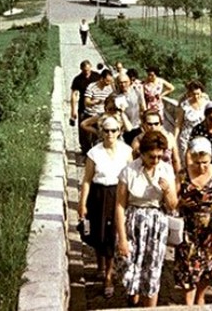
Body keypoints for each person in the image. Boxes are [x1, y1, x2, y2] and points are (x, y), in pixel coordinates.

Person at [115, 130, 178, 307]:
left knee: (152, 270)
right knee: (130, 267)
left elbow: (173, 205)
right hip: (133, 222)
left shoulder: (166, 170)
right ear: (142, 153)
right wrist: (122, 239)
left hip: (156, 224)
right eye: (152, 156)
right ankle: (134, 299)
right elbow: (120, 205)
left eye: (159, 156)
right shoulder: (129, 171)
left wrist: (166, 191)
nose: (156, 160)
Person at [78, 116, 133, 298]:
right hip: (99, 195)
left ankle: (108, 275)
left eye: (113, 130)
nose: (110, 134)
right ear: (101, 131)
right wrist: (82, 203)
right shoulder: (94, 153)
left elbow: (130, 177)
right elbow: (86, 180)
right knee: (98, 233)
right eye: (106, 130)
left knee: (112, 235)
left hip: (117, 194)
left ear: (119, 132)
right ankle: (100, 265)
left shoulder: (126, 151)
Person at [173, 137, 212, 306]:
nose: (201, 167)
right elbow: (171, 201)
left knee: (209, 269)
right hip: (188, 230)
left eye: (205, 162)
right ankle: (189, 305)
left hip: (210, 230)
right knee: (187, 270)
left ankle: (200, 296)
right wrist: (180, 203)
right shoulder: (183, 174)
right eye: (197, 163)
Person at [131, 110, 182, 174]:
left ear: (160, 124)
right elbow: (133, 162)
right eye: (149, 124)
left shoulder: (169, 138)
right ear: (144, 125)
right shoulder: (138, 140)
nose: (153, 127)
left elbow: (176, 160)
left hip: (166, 175)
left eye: (156, 123)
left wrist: (179, 178)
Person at [80, 70, 115, 154]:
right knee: (87, 136)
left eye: (110, 81)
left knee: (98, 139)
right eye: (107, 81)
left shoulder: (110, 88)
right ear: (101, 79)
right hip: (91, 113)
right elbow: (86, 102)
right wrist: (95, 102)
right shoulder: (92, 87)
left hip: (102, 115)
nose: (108, 83)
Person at [69, 60, 100, 153]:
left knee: (96, 127)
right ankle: (85, 148)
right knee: (83, 128)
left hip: (96, 107)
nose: (86, 72)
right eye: (84, 70)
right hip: (83, 107)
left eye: (88, 70)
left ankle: (96, 147)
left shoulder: (97, 76)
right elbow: (74, 95)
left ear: (91, 67)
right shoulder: (78, 79)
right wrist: (73, 110)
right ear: (81, 69)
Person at [175, 80, 208, 159]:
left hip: (202, 137)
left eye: (198, 94)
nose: (196, 96)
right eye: (193, 94)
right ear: (189, 93)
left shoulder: (207, 104)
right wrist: (175, 138)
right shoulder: (185, 105)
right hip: (186, 138)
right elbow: (178, 124)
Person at [112, 72, 146, 145]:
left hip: (136, 126)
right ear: (117, 83)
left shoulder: (137, 92)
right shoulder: (114, 95)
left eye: (125, 82)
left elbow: (143, 107)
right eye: (120, 82)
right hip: (122, 130)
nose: (123, 84)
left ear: (130, 82)